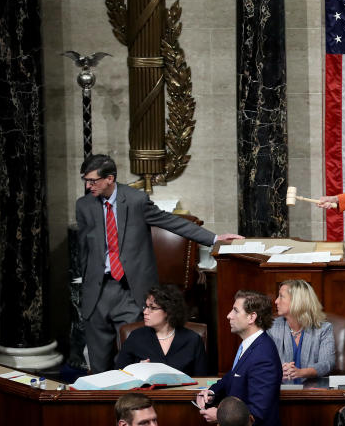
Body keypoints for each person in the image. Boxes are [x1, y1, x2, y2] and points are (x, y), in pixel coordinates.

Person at [77, 153, 243, 372]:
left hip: (130, 291)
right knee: (98, 366)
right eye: (86, 181)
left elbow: (172, 222)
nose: (89, 186)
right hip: (97, 293)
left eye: (93, 181)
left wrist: (214, 238)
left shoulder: (135, 200)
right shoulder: (84, 205)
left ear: (110, 178)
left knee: (129, 363)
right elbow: (83, 249)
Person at [197, 290, 283, 426]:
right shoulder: (249, 345)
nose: (229, 315)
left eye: (235, 311)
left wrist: (219, 415)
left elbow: (258, 411)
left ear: (252, 317)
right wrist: (211, 392)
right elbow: (233, 376)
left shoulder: (263, 355)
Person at [114, 284, 208, 376]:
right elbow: (118, 375)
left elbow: (202, 381)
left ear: (169, 311)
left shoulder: (192, 340)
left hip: (182, 391)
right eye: (146, 307)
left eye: (153, 308)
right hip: (146, 391)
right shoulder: (136, 337)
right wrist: (136, 369)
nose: (145, 312)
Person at [268, 279, 335, 382]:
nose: (276, 301)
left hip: (312, 391)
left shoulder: (323, 329)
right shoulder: (271, 328)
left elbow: (327, 363)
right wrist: (277, 371)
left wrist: (301, 372)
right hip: (280, 391)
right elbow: (263, 363)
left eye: (281, 296)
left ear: (297, 301)